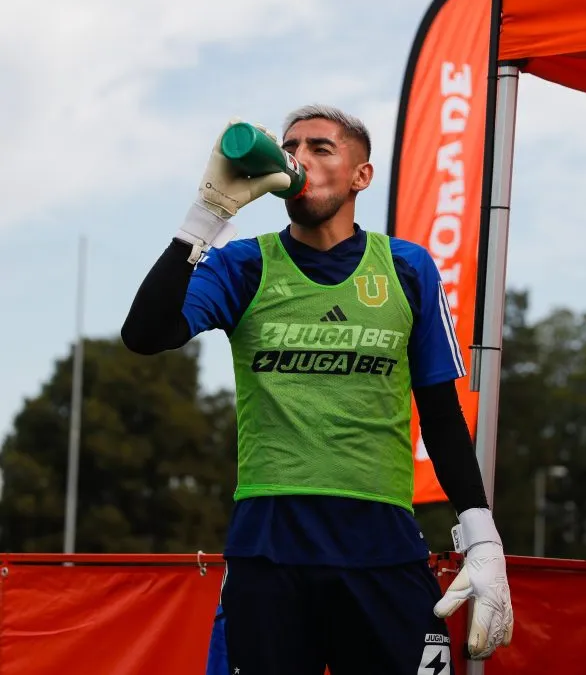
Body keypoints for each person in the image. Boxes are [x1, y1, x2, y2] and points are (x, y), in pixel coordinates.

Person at [121, 105, 513, 674]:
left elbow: (442, 414)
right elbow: (144, 334)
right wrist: (206, 215)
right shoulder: (244, 266)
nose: (299, 160)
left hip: (383, 548)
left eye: (321, 148)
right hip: (269, 549)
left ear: (362, 176)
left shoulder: (408, 267)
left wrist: (482, 537)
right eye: (291, 148)